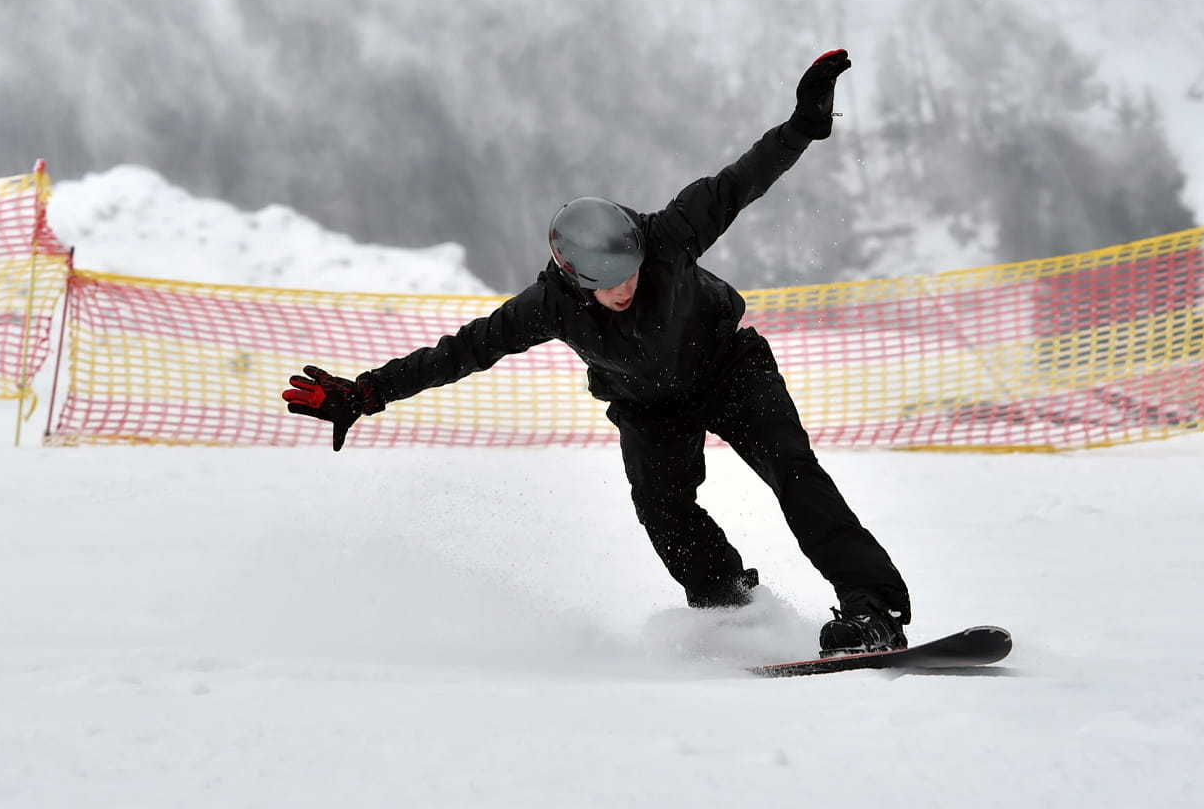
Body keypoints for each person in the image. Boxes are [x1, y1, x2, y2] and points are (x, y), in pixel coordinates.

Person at [281, 49, 912, 656]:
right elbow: (463, 351)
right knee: (661, 508)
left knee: (794, 472)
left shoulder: (669, 234)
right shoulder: (547, 305)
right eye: (607, 284)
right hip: (646, 405)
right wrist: (365, 393)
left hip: (728, 368)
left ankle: (872, 609)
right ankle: (733, 611)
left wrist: (803, 126)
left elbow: (739, 182)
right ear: (576, 279)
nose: (624, 289)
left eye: (631, 273)